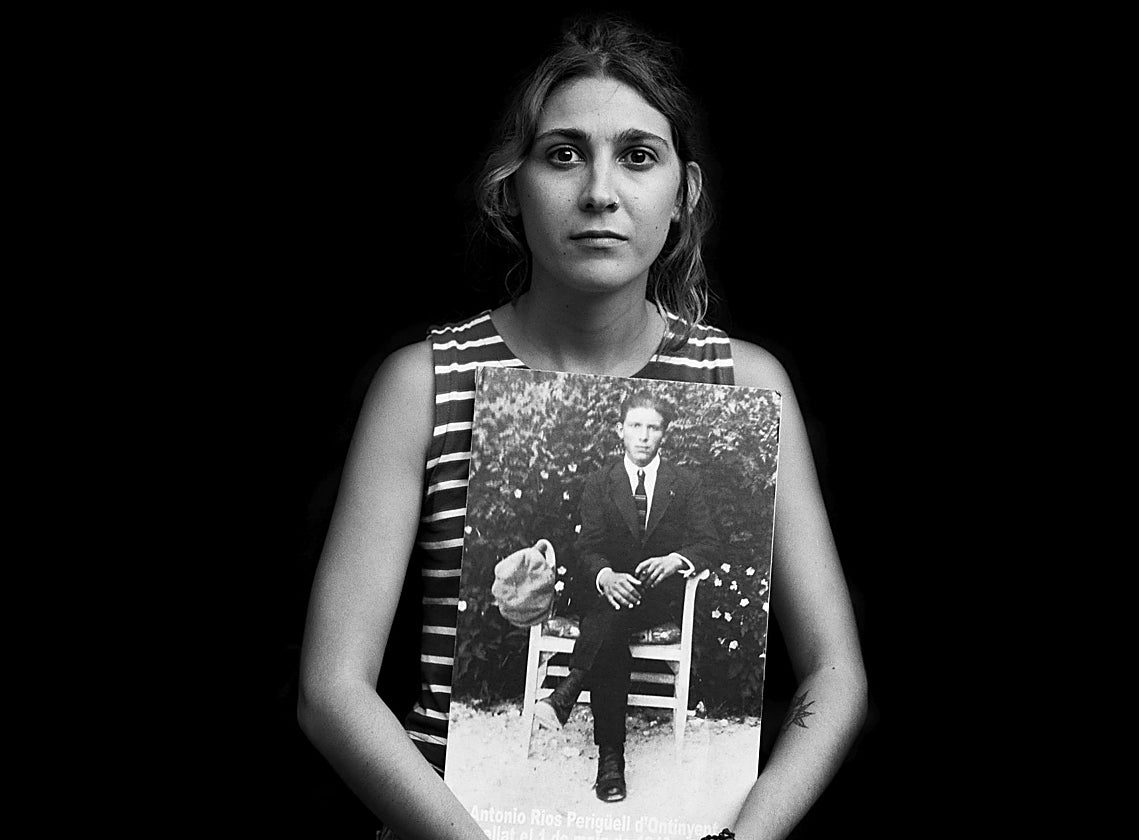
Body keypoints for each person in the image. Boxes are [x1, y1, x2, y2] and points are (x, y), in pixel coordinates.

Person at [297, 14, 867, 840]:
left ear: (684, 194)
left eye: (638, 156)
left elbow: (837, 675)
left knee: (616, 612)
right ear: (511, 186)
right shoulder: (424, 385)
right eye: (563, 155)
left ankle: (569, 709)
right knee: (605, 603)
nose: (600, 191)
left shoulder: (743, 384)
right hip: (447, 833)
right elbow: (331, 689)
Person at [533, 390, 720, 802]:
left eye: (653, 428)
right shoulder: (600, 482)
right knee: (611, 625)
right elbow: (587, 547)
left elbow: (709, 542)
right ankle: (610, 761)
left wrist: (675, 560)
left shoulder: (684, 483)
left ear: (665, 434)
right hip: (604, 594)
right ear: (621, 430)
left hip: (655, 599)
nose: (643, 436)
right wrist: (605, 575)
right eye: (635, 426)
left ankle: (571, 691)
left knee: (610, 621)